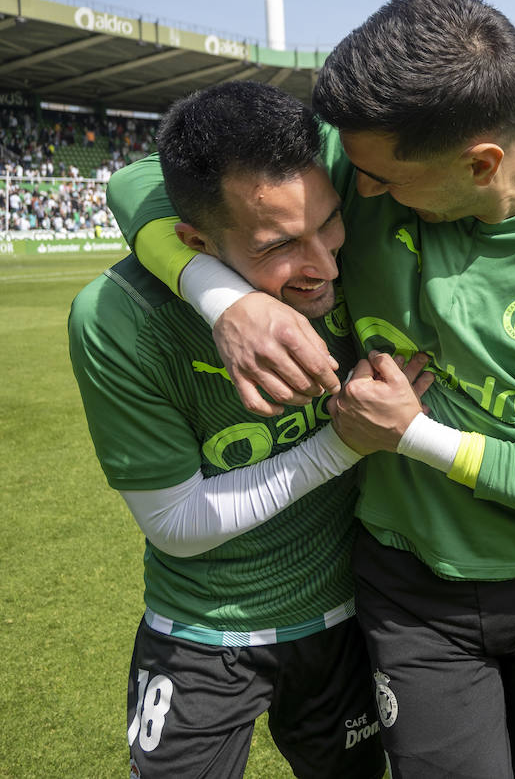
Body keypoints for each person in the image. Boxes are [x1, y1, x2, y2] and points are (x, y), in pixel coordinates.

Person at [107, 0, 515, 777]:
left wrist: (414, 434)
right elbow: (143, 182)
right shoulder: (368, 163)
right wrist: (225, 298)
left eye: (380, 180)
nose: (360, 195)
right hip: (409, 593)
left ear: (482, 164)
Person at [70, 82, 429, 778]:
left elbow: (131, 182)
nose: (324, 265)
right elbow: (174, 523)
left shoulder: (334, 195)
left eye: (329, 223)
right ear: (195, 241)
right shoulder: (117, 319)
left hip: (349, 616)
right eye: (280, 247)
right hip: (201, 630)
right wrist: (339, 445)